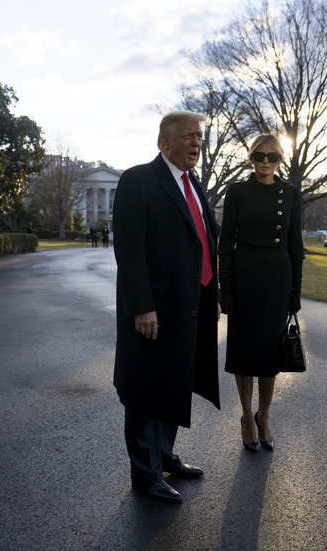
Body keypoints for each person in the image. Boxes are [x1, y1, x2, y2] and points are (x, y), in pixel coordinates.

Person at [112, 110, 221, 503]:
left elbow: (205, 245)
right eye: (189, 136)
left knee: (173, 384)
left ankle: (164, 456)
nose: (196, 143)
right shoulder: (137, 180)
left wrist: (214, 294)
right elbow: (129, 249)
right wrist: (141, 305)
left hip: (188, 308)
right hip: (153, 311)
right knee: (146, 389)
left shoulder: (195, 186)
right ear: (164, 142)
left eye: (200, 137)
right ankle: (145, 475)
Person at [218, 134, 304, 452]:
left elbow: (296, 246)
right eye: (259, 156)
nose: (265, 162)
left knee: (270, 353)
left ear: (280, 160)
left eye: (272, 157)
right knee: (243, 351)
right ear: (250, 158)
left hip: (277, 279)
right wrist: (224, 288)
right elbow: (225, 244)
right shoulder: (237, 191)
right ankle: (245, 416)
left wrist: (296, 291)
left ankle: (264, 416)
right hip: (244, 276)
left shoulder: (291, 194)